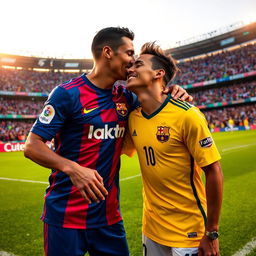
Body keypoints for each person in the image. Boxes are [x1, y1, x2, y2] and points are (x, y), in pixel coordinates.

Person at [24, 27, 192, 256]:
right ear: (108, 52)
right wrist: (73, 168)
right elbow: (32, 145)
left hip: (108, 217)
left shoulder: (126, 98)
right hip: (65, 215)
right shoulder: (67, 94)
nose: (133, 61)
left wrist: (172, 90)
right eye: (129, 53)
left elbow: (155, 98)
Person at [124, 42, 223, 256]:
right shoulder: (133, 118)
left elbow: (214, 170)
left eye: (138, 64)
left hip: (188, 234)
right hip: (151, 230)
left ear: (158, 73)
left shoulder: (187, 115)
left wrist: (212, 232)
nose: (130, 69)